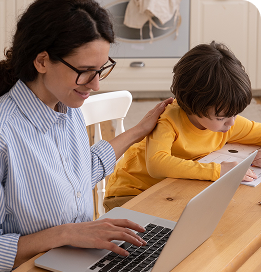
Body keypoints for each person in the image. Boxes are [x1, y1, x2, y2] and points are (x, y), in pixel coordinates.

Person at [0, 0, 174, 271]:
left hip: (66, 261)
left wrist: (138, 131)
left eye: (101, 69)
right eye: (85, 71)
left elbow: (79, 172)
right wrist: (66, 233)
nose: (96, 84)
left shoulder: (66, 106)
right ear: (42, 61)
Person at [104, 41, 261, 212]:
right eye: (221, 117)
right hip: (130, 194)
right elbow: (157, 165)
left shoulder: (226, 123)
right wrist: (218, 170)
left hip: (172, 190)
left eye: (234, 114)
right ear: (195, 106)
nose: (231, 123)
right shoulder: (168, 120)